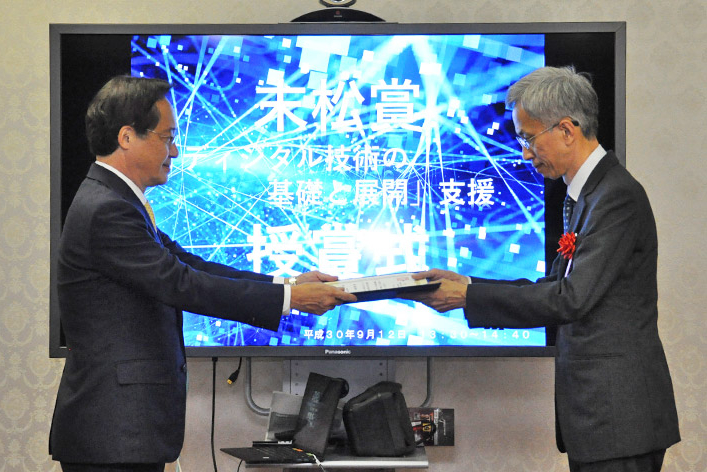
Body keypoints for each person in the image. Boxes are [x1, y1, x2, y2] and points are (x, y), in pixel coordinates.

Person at [49, 76, 357, 472]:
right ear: (127, 137)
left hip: (122, 432)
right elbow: (182, 284)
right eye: (166, 137)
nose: (174, 151)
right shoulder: (107, 208)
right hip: (113, 433)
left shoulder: (115, 199)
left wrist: (287, 285)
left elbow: (189, 264)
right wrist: (290, 302)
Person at [407, 66, 680, 471]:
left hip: (619, 418)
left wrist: (468, 297)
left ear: (567, 130)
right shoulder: (588, 195)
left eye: (529, 138)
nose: (525, 153)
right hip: (601, 420)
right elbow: (553, 285)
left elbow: (571, 299)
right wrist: (467, 283)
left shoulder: (615, 197)